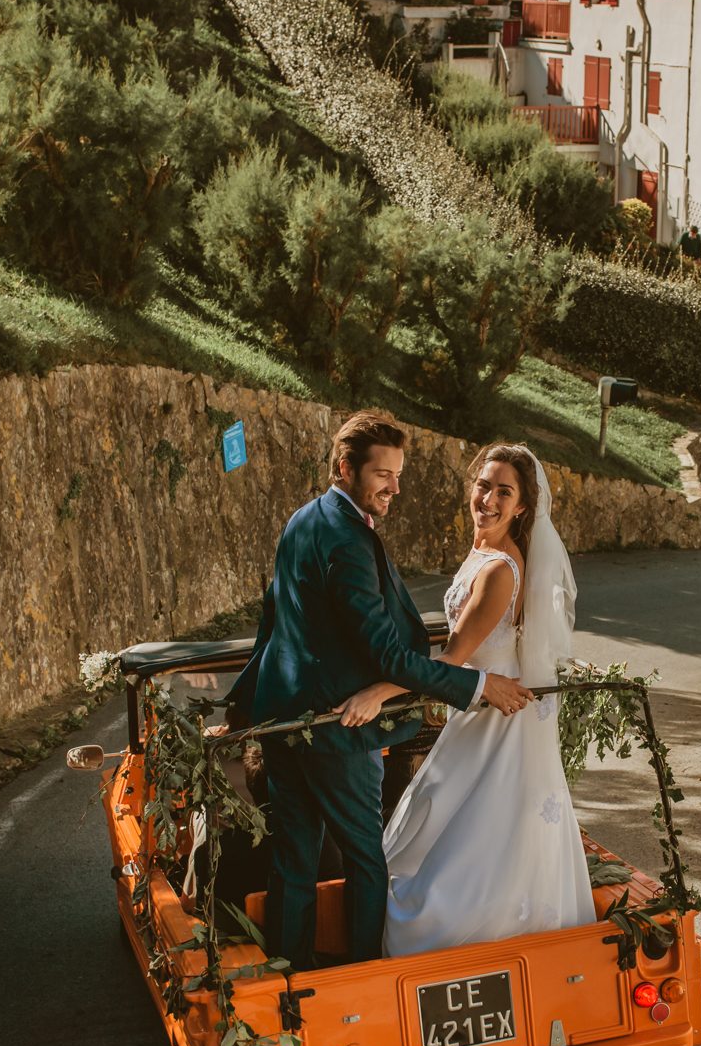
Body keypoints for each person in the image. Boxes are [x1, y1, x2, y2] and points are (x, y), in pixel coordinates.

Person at [226, 413, 536, 970]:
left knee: (294, 861)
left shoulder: (304, 518)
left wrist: (250, 703)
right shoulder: (347, 538)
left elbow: (273, 620)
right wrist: (479, 684)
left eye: (398, 473)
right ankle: (365, 981)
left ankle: (290, 985)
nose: (395, 487)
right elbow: (386, 656)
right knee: (367, 859)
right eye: (383, 474)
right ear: (345, 468)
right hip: (336, 728)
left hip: (284, 721)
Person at [335, 445, 592, 958]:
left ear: (522, 507)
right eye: (484, 485)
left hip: (494, 715)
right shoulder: (483, 551)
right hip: (473, 707)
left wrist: (378, 691)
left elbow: (453, 657)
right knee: (439, 822)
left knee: (476, 838)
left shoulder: (500, 570)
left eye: (504, 492)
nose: (489, 499)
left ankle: (470, 940)